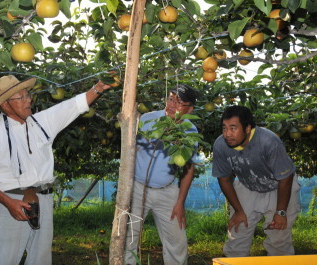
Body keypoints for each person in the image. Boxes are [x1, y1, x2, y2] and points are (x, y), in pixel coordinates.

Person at [0, 75, 110, 265]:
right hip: (12, 202)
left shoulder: (41, 123)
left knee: (41, 258)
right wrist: (9, 203)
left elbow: (71, 107)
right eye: (20, 97)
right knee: (4, 259)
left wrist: (97, 89)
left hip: (44, 199)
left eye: (27, 95)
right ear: (5, 105)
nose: (28, 99)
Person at [212, 105, 300, 257]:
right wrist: (239, 210)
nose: (227, 134)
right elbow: (224, 179)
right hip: (248, 185)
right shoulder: (221, 145)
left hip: (278, 187)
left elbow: (285, 177)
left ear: (247, 128)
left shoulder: (269, 141)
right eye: (224, 128)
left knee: (279, 239)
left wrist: (280, 212)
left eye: (233, 128)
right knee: (237, 233)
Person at [125, 84, 198, 265]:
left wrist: (180, 202)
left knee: (177, 241)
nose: (172, 105)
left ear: (190, 109)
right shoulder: (147, 119)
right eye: (171, 99)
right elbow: (128, 151)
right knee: (128, 238)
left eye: (179, 102)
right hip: (137, 187)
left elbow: (189, 169)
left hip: (167, 190)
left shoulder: (190, 131)